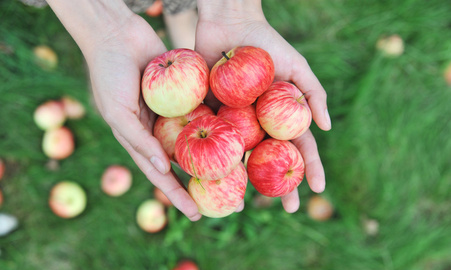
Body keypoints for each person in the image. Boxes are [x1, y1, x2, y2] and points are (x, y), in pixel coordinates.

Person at [39, 0, 331, 221]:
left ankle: (179, 12)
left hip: (188, 94)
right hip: (186, 95)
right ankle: (179, 17)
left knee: (182, 6)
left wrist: (231, 8)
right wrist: (103, 30)